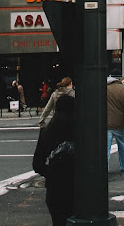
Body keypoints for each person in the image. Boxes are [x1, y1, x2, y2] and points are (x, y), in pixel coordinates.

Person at [33, 94, 75, 226]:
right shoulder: (79, 130)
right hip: (76, 187)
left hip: (55, 187)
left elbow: (37, 164)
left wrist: (51, 172)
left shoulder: (47, 131)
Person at [107, 76, 124, 172]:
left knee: (106, 147)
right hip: (120, 122)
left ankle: (104, 167)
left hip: (106, 123)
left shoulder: (103, 89)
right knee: (122, 144)